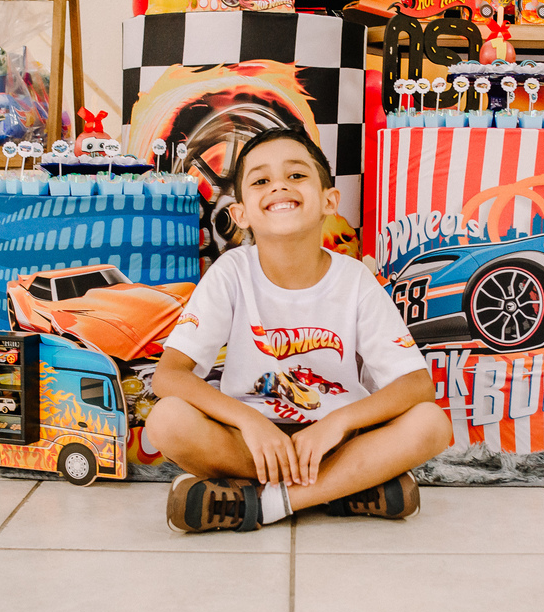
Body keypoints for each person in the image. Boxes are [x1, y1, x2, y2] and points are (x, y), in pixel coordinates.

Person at [147, 127, 452, 533]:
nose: (279, 187)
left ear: (329, 201)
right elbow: (169, 375)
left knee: (430, 423)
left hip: (338, 444)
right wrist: (249, 421)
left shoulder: (355, 280)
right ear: (240, 214)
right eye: (260, 181)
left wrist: (337, 424)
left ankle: (263, 503)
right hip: (251, 444)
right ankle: (346, 487)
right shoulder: (231, 272)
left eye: (296, 175)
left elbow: (416, 385)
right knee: (167, 420)